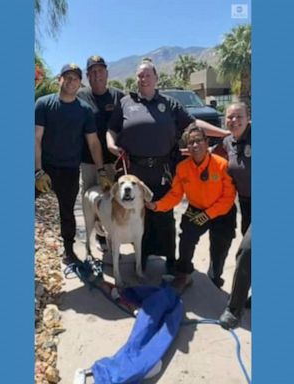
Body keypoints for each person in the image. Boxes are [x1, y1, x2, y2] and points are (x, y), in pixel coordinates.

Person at [107, 58, 230, 275]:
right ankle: (142, 256)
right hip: (136, 170)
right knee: (139, 215)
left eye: (148, 75)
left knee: (165, 215)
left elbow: (193, 124)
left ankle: (170, 259)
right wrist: (110, 144)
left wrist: (224, 133)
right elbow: (112, 129)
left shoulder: (170, 104)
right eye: (140, 75)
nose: (143, 79)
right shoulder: (126, 102)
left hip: (163, 169)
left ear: (156, 78)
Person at [35, 63, 112, 265]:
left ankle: (69, 251)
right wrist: (37, 171)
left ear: (80, 83)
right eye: (67, 77)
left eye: (75, 78)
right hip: (43, 168)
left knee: (67, 212)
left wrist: (101, 170)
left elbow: (93, 142)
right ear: (59, 79)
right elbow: (36, 138)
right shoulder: (43, 104)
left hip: (69, 170)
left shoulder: (84, 110)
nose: (71, 81)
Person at [145, 124, 237, 294]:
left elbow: (229, 197)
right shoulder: (182, 168)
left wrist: (208, 215)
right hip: (196, 209)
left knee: (220, 247)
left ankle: (215, 276)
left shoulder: (222, 165)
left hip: (223, 213)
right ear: (186, 146)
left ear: (206, 142)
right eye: (190, 142)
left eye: (198, 141)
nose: (195, 145)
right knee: (186, 239)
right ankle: (184, 275)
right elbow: (175, 195)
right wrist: (157, 206)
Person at [78, 55, 124, 252]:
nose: (97, 75)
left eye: (100, 71)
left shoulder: (119, 97)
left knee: (112, 200)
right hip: (88, 161)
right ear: (88, 76)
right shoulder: (80, 96)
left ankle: (113, 235)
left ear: (107, 73)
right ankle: (99, 236)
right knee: (92, 202)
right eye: (93, 72)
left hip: (113, 162)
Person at [219, 102, 252, 329]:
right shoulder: (227, 142)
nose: (234, 121)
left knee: (247, 251)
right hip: (246, 204)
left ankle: (234, 309)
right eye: (230, 117)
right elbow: (216, 156)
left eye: (239, 116)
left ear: (248, 117)